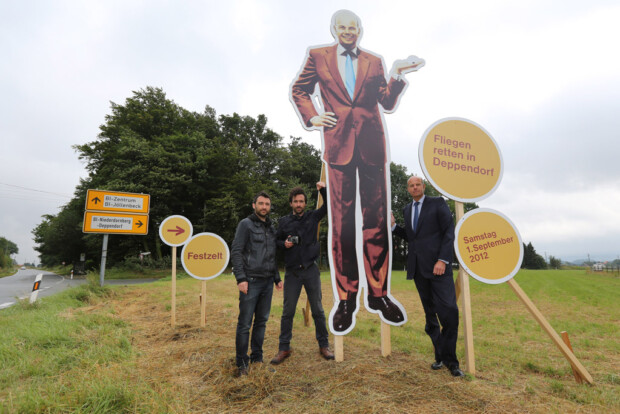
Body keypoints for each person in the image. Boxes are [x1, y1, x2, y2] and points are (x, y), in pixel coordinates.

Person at [290, 9, 423, 333]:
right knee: (343, 226)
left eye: (354, 27)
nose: (349, 31)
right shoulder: (317, 55)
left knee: (377, 224)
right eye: (343, 27)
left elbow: (387, 103)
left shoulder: (374, 61)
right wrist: (312, 116)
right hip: (338, 150)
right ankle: (347, 298)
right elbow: (300, 89)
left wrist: (397, 73)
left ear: (359, 30)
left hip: (372, 148)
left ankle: (378, 295)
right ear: (335, 30)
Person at [391, 176, 464, 377]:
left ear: (424, 187)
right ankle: (441, 356)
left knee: (449, 311)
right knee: (430, 316)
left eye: (418, 185)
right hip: (418, 271)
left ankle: (452, 361)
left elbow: (449, 231)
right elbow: (413, 239)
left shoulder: (437, 203)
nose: (415, 187)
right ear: (408, 189)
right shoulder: (407, 210)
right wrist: (394, 227)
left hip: (439, 269)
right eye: (411, 185)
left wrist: (442, 259)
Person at [270, 182, 335, 365]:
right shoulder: (283, 222)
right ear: (291, 203)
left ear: (305, 203)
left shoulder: (313, 217)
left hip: (311, 270)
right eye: (295, 201)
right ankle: (284, 348)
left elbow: (330, 204)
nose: (298, 204)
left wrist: (322, 189)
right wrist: (285, 244)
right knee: (287, 312)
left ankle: (324, 346)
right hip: (292, 273)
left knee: (318, 310)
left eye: (301, 201)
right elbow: (275, 242)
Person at [231, 191, 283, 376]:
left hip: (267, 281)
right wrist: (241, 278)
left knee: (261, 322)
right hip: (250, 281)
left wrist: (276, 277)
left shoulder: (271, 227)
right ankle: (241, 364)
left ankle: (257, 359)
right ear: (254, 205)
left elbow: (271, 255)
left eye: (267, 204)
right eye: (261, 204)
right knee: (245, 323)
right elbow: (236, 251)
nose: (264, 207)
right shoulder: (245, 224)